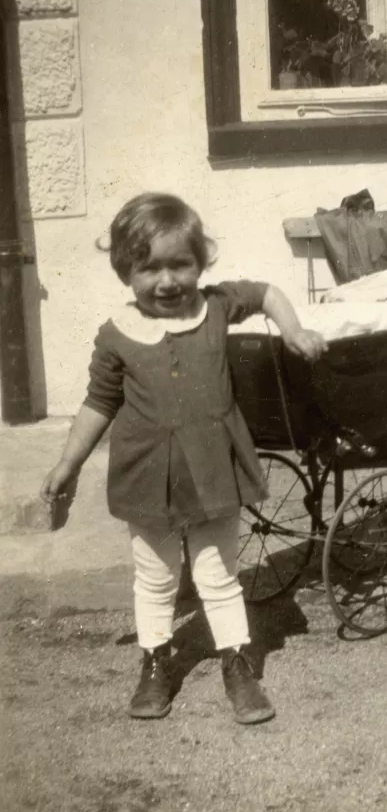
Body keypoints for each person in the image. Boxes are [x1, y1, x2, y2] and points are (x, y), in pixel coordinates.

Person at [40, 193, 327, 724]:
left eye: (180, 264)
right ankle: (154, 664)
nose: (167, 281)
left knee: (219, 575)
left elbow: (266, 292)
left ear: (201, 263)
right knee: (155, 578)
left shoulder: (215, 307)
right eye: (149, 268)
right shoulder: (116, 335)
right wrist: (68, 463)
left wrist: (294, 330)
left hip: (214, 468)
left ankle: (237, 663)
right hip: (148, 475)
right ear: (126, 271)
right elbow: (98, 403)